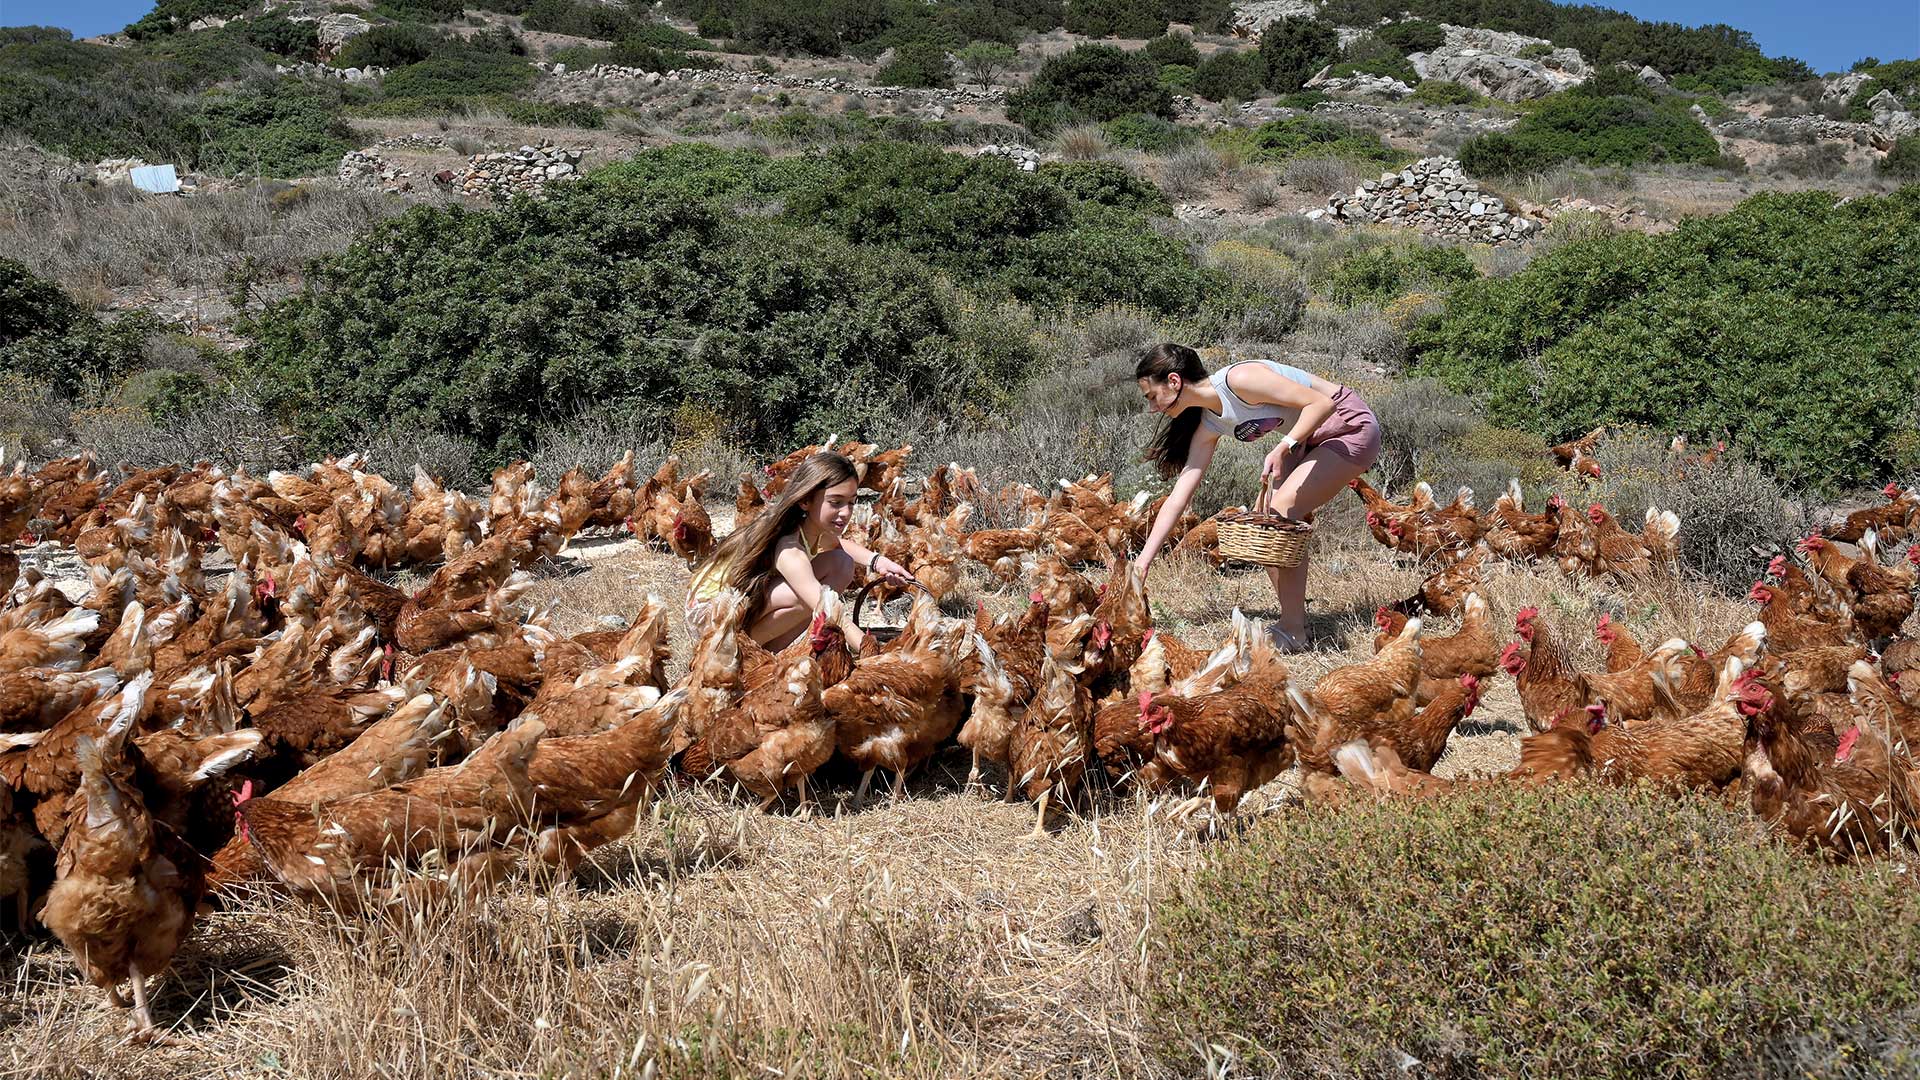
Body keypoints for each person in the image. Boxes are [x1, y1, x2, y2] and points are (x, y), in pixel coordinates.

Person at [1130, 343, 1382, 652]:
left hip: (1347, 427)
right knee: (1267, 528)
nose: (1153, 408)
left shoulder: (1239, 380)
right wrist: (1143, 564)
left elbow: (1321, 403)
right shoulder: (1209, 423)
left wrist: (1282, 447)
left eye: (1152, 397)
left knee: (1281, 509)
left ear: (1173, 381)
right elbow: (1178, 498)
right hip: (1305, 442)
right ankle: (1295, 622)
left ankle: (1292, 631)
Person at [686, 451, 915, 651]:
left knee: (841, 563)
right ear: (805, 500)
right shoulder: (788, 547)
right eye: (836, 502)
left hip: (740, 605)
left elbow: (840, 545)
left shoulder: (811, 527)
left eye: (851, 503)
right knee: (803, 596)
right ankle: (743, 654)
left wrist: (878, 561)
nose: (846, 513)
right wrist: (870, 650)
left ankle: (766, 653)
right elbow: (827, 608)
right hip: (709, 617)